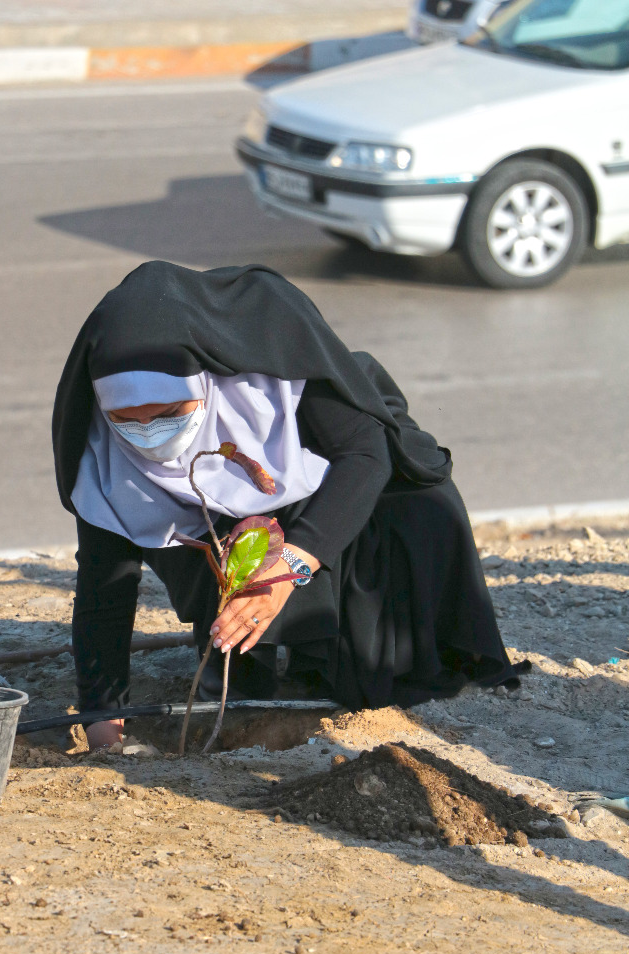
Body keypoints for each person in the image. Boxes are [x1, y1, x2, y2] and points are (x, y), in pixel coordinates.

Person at [52, 261, 525, 750]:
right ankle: (244, 666)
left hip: (328, 499)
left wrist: (287, 570)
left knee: (417, 514)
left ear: (204, 381)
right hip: (226, 538)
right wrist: (103, 725)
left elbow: (366, 457)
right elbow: (105, 591)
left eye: (171, 413)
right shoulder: (103, 458)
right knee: (230, 598)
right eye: (125, 419)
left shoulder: (271, 372)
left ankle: (325, 648)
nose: (150, 434)